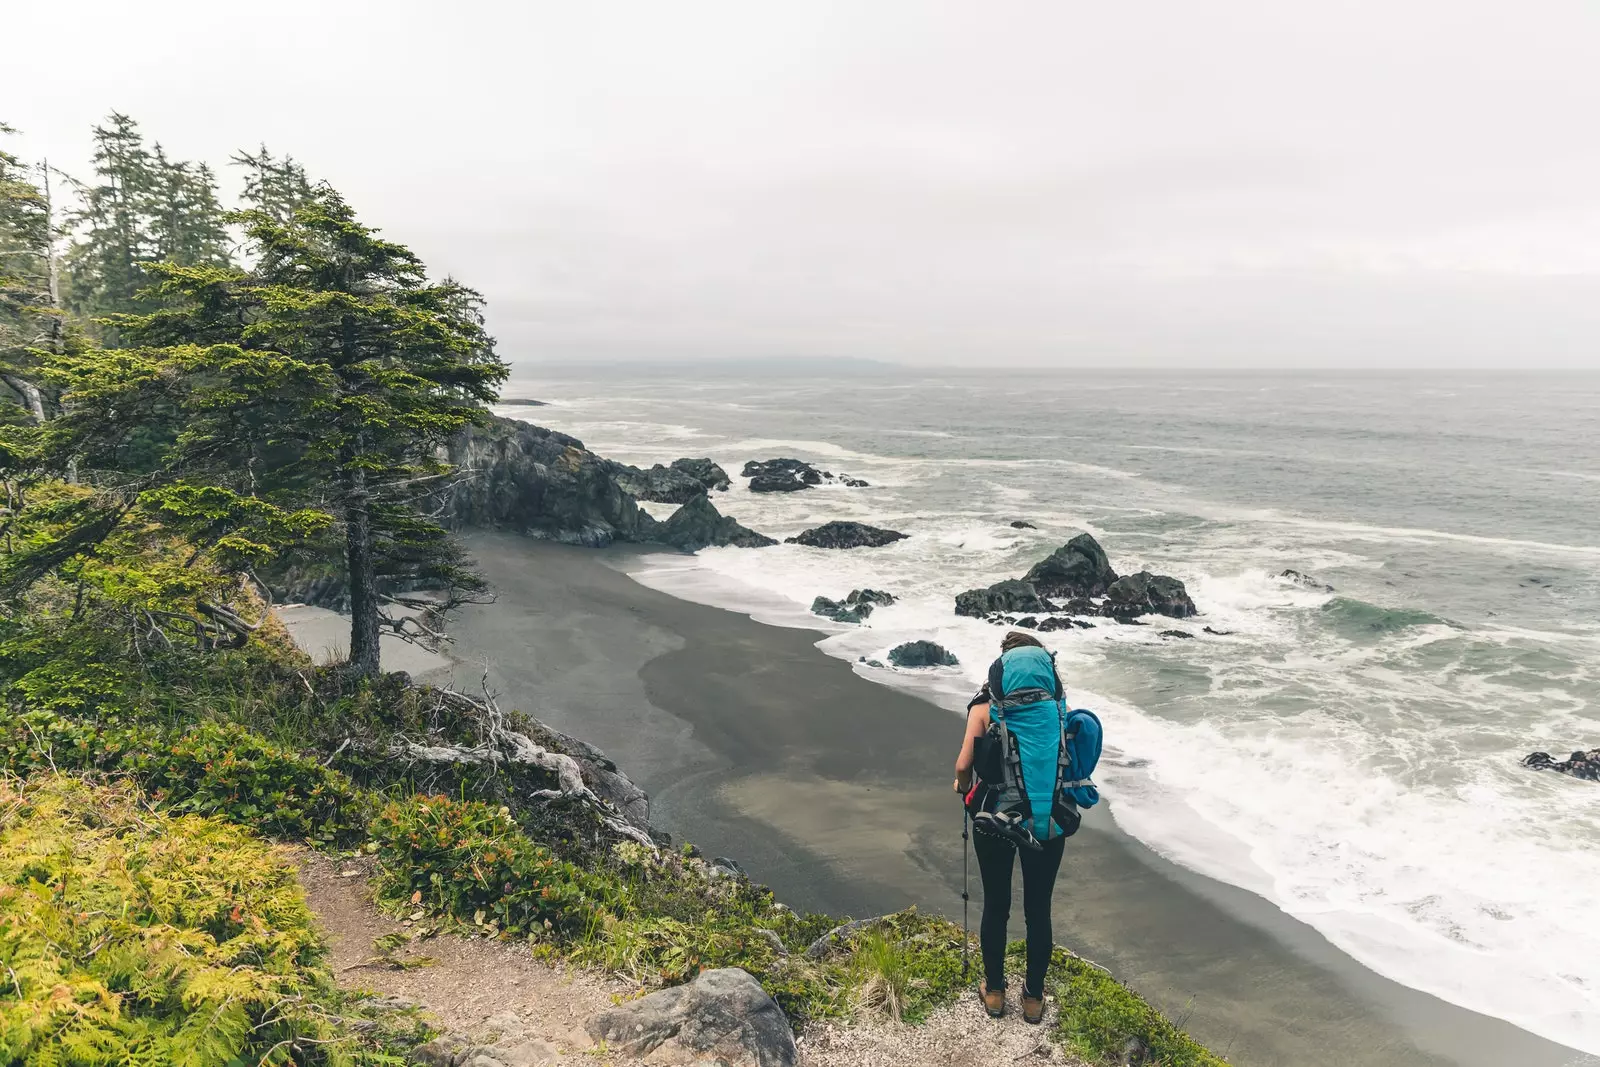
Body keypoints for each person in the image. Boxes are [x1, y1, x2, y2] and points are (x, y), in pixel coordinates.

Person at [953, 631, 1068, 1023]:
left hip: (994, 821)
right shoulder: (1058, 707)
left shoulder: (985, 707)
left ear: (1004, 666)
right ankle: (1034, 1000)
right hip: (1046, 820)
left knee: (996, 904)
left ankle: (996, 994)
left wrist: (962, 787)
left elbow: (963, 767)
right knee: (1039, 909)